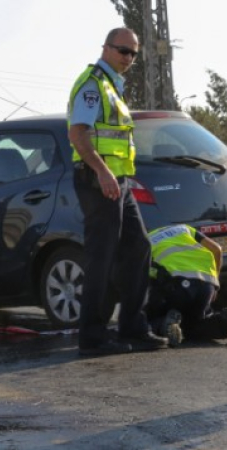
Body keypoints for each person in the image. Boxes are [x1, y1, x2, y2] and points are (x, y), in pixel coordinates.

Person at [68, 27, 168, 355]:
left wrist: (119, 177)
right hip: (98, 180)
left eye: (133, 54)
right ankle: (93, 336)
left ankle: (132, 326)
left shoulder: (114, 86)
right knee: (102, 256)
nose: (128, 58)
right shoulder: (92, 84)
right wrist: (102, 171)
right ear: (106, 48)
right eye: (122, 51)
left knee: (138, 247)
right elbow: (78, 133)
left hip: (119, 182)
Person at [146, 224, 227, 346]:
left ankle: (165, 323)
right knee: (197, 323)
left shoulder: (144, 241)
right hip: (206, 286)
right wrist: (216, 284)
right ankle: (224, 322)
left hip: (177, 287)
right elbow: (217, 249)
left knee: (147, 319)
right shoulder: (183, 229)